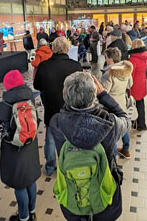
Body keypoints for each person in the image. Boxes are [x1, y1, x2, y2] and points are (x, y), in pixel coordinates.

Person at [49, 72, 130, 221]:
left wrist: (72, 95)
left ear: (65, 95)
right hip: (106, 199)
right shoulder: (109, 122)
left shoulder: (57, 123)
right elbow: (125, 118)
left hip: (73, 201)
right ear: (94, 95)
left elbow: (66, 112)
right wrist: (103, 95)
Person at [0, 70, 41, 221]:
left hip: (13, 149)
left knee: (19, 185)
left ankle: (23, 217)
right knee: (30, 180)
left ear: (7, 86)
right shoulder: (31, 99)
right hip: (31, 145)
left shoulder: (4, 105)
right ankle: (32, 212)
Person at [33, 37, 82, 176]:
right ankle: (68, 165)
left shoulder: (44, 66)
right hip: (71, 108)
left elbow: (37, 86)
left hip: (51, 108)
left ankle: (49, 167)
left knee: (50, 139)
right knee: (71, 138)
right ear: (67, 49)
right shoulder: (75, 66)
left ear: (53, 49)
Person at [101, 47, 133, 158]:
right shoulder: (126, 70)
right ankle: (126, 149)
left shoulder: (109, 74)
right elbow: (130, 85)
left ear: (110, 59)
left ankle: (113, 156)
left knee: (112, 132)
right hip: (122, 103)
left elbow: (104, 92)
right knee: (123, 125)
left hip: (111, 105)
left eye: (106, 57)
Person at [128, 39, 147, 131]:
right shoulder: (145, 56)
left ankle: (141, 124)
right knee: (140, 102)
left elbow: (131, 73)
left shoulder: (133, 58)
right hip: (142, 81)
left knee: (137, 103)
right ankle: (141, 122)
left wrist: (128, 84)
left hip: (135, 82)